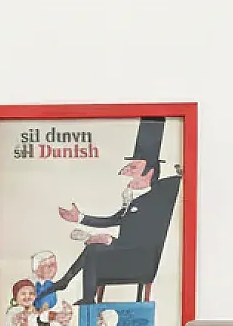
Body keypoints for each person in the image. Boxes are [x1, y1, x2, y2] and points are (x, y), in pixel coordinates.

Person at [55, 117, 181, 304]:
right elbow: (115, 219)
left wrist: (111, 241)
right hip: (125, 254)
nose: (127, 171)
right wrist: (79, 217)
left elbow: (178, 179)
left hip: (140, 259)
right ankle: (77, 290)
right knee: (94, 249)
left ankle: (76, 289)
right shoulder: (134, 199)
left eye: (134, 167)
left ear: (151, 172)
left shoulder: (158, 198)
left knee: (95, 250)